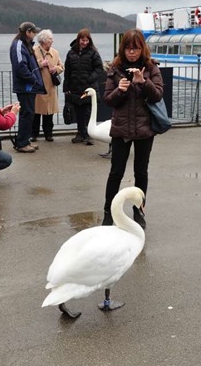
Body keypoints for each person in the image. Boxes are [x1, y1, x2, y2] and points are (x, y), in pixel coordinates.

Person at [101, 29, 163, 229]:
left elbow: (158, 95)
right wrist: (120, 90)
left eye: (135, 49)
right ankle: (108, 212)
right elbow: (108, 100)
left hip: (145, 128)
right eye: (128, 48)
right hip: (121, 128)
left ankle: (139, 211)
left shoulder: (151, 67)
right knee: (116, 172)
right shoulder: (115, 68)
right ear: (123, 49)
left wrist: (143, 82)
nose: (132, 53)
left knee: (141, 172)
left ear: (142, 48)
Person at [64, 28, 105, 145]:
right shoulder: (71, 53)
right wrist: (66, 87)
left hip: (89, 88)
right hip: (75, 88)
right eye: (83, 40)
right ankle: (80, 133)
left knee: (88, 112)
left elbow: (99, 68)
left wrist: (90, 78)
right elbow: (68, 71)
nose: (85, 43)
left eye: (87, 40)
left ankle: (88, 134)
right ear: (78, 40)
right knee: (78, 112)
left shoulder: (93, 53)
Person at [10, 22, 45, 153]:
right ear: (28, 32)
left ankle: (25, 140)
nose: (35, 34)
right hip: (26, 86)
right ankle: (22, 143)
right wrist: (33, 79)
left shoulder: (24, 45)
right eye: (34, 32)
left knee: (29, 113)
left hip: (29, 86)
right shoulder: (19, 45)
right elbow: (20, 67)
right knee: (26, 113)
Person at [32, 30, 64, 142]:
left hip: (51, 87)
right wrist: (41, 64)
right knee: (36, 113)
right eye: (50, 39)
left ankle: (48, 134)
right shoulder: (33, 51)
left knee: (49, 113)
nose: (52, 41)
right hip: (38, 87)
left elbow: (61, 66)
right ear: (44, 40)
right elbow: (30, 67)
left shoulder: (55, 52)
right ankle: (34, 134)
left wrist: (57, 69)